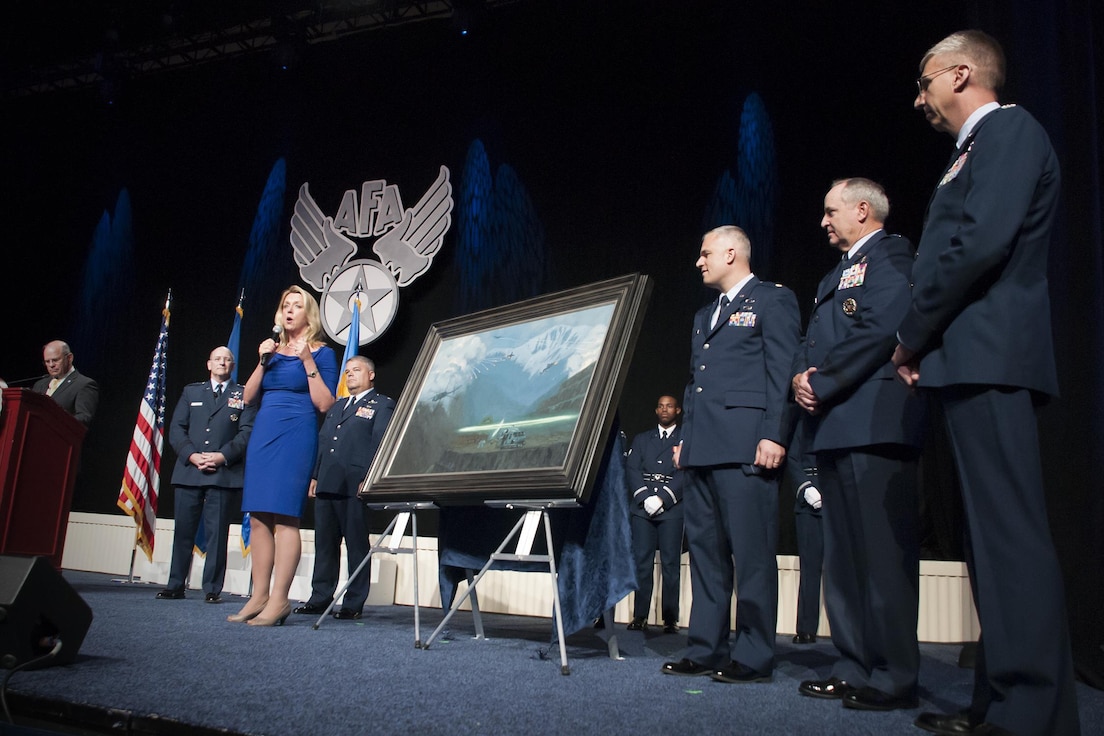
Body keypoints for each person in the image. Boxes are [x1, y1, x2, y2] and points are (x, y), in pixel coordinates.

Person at [892, 30, 1080, 736]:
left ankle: (1032, 716)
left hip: (992, 359)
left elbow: (978, 243)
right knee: (987, 548)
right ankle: (1000, 705)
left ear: (961, 72)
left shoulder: (1008, 129)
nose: (920, 98)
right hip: (965, 360)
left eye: (925, 81)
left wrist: (912, 333)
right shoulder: (969, 149)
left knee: (1011, 542)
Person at [792, 178, 925, 711]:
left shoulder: (893, 257)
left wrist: (820, 382)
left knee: (883, 559)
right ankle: (851, 666)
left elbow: (880, 330)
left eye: (831, 211)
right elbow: (812, 341)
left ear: (862, 210)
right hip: (832, 428)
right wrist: (799, 378)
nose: (823, 222)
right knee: (843, 560)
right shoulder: (833, 275)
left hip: (874, 423)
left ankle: (893, 675)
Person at [662, 225, 800, 684]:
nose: (699, 262)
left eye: (705, 254)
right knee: (705, 556)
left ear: (731, 252)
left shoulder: (772, 299)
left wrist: (775, 435)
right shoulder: (705, 315)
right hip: (702, 450)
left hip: (746, 448)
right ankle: (705, 648)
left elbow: (782, 371)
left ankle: (755, 655)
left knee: (752, 555)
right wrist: (686, 437)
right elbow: (695, 381)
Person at [230, 286, 338, 627]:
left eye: (297, 305)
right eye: (285, 305)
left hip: (296, 433)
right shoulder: (271, 351)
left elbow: (325, 403)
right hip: (265, 431)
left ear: (309, 314)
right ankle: (259, 595)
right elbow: (247, 397)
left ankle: (280, 600)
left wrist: (306, 360)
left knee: (285, 516)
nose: (289, 310)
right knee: (259, 515)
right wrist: (262, 361)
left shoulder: (322, 353)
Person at [294, 355, 394, 620]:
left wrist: (370, 479)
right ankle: (319, 598)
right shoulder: (337, 406)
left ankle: (353, 601)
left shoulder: (381, 405)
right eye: (347, 371)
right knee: (325, 545)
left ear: (370, 374)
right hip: (328, 481)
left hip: (355, 484)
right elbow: (325, 441)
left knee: (356, 544)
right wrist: (315, 475)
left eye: (356, 370)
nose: (349, 375)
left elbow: (379, 443)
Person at [158, 346, 256, 603]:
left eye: (227, 359)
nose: (222, 362)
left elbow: (246, 433)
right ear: (209, 364)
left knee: (217, 534)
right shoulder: (192, 391)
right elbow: (177, 428)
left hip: (223, 474)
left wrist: (222, 456)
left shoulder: (243, 393)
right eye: (218, 359)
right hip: (190, 471)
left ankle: (212, 588)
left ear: (232, 366)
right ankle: (175, 584)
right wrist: (192, 455)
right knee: (183, 532)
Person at [624, 394, 684, 634]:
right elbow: (632, 469)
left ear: (678, 410)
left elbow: (686, 472)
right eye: (660, 406)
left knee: (671, 564)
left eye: (669, 406)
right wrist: (644, 497)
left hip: (672, 508)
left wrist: (663, 498)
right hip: (643, 508)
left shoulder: (686, 439)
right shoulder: (641, 439)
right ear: (656, 410)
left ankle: (670, 618)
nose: (664, 409)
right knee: (642, 563)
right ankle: (640, 616)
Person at [788, 414, 822, 646]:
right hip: (809, 503)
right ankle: (806, 627)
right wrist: (805, 488)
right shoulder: (803, 422)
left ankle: (854, 631)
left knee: (848, 571)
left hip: (840, 497)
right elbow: (792, 459)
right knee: (809, 568)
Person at [33, 340, 99, 427]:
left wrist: (54, 423)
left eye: (55, 360)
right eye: (47, 361)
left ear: (69, 358)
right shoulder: (39, 384)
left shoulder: (84, 384)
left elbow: (84, 417)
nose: (51, 365)